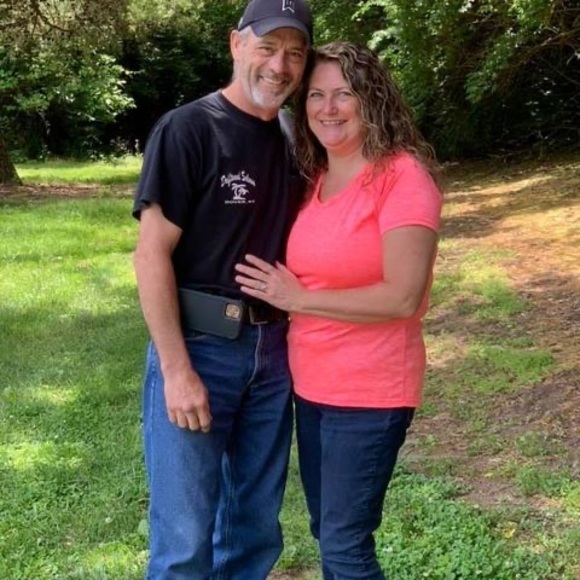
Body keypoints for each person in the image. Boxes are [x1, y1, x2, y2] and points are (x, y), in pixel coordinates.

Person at [235, 41, 443, 579]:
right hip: (312, 386)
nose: (328, 108)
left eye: (344, 94)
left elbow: (403, 296)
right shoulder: (315, 179)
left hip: (372, 390)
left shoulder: (403, 178)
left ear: (371, 99)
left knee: (346, 545)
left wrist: (298, 299)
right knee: (328, 532)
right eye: (316, 95)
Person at [132, 0, 313, 577]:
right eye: (267, 47)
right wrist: (176, 370)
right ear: (236, 45)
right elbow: (151, 254)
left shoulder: (295, 137)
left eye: (294, 53)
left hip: (274, 354)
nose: (280, 66)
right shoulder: (188, 129)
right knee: (185, 539)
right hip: (201, 348)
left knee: (253, 530)